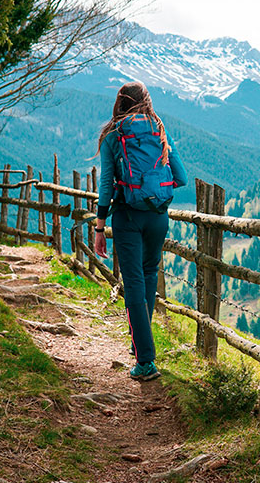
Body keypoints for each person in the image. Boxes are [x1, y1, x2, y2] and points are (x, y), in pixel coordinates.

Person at [93, 81, 187, 381]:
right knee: (148, 274)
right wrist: (154, 189)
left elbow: (106, 183)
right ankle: (141, 346)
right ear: (145, 100)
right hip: (158, 215)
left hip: (127, 216)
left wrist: (99, 225)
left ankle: (145, 361)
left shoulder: (112, 134)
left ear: (119, 102)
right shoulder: (159, 128)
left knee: (132, 282)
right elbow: (182, 177)